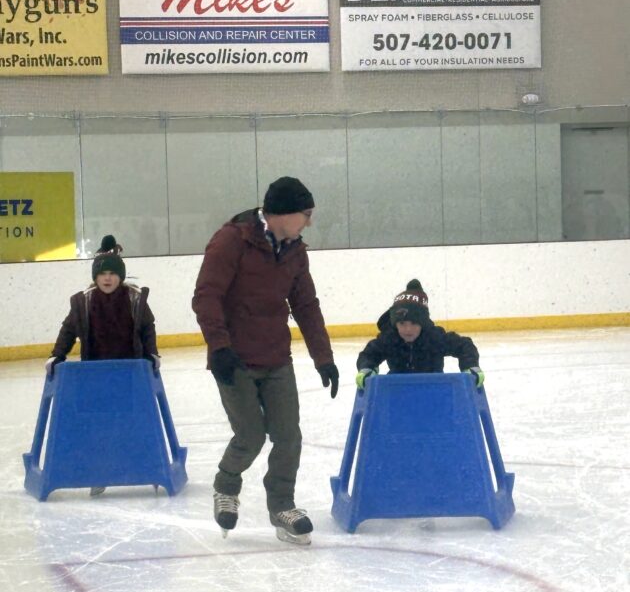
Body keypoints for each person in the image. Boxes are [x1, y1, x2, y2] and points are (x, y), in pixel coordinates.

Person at [192, 176, 339, 546]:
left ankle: (282, 506)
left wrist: (323, 358)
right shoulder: (232, 240)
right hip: (234, 358)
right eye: (306, 214)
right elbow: (206, 296)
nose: (309, 222)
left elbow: (306, 305)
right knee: (250, 436)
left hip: (275, 356)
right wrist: (219, 346)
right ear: (283, 213)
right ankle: (226, 485)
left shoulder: (295, 251)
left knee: (289, 436)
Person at [46, 234, 160, 496]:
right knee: (100, 424)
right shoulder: (84, 301)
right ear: (95, 277)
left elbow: (147, 327)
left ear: (121, 276)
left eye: (112, 274)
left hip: (130, 373)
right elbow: (68, 329)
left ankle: (148, 468)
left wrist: (152, 354)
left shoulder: (135, 299)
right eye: (102, 274)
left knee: (134, 421)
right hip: (95, 374)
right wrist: (57, 355)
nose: (107, 279)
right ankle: (100, 472)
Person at [356, 279, 484, 389]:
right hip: (398, 393)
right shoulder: (390, 338)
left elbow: (464, 345)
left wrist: (469, 365)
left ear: (423, 323)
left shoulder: (434, 337)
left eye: (414, 323)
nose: (408, 329)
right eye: (402, 324)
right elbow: (369, 354)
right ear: (395, 324)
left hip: (434, 392)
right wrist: (367, 368)